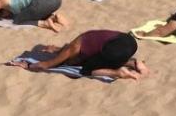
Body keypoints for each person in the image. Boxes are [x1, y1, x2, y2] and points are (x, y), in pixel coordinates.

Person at [10, 31, 148, 80]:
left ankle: (118, 72)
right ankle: (134, 63)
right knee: (107, 57)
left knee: (87, 70)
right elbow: (66, 50)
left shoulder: (72, 50)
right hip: (130, 42)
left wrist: (26, 64)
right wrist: (57, 50)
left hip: (113, 50)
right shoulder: (80, 44)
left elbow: (46, 65)